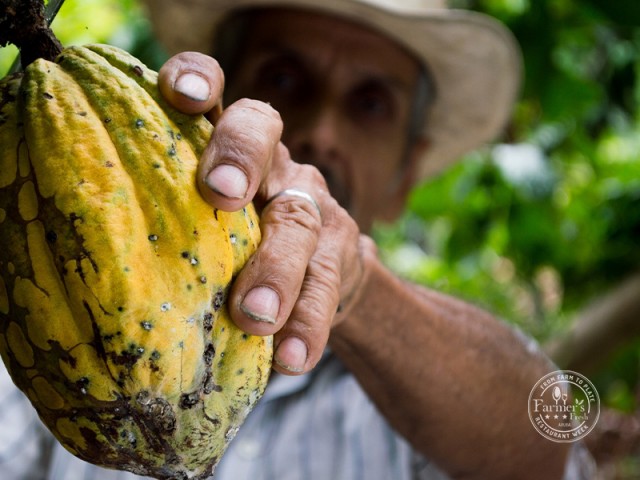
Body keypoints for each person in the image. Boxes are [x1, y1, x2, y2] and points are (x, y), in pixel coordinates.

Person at [0, 0, 597, 478]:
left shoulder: (432, 396)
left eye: (370, 103)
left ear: (404, 177)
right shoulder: (52, 287)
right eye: (284, 77)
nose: (320, 131)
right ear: (201, 104)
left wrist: (355, 287)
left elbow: (546, 446)